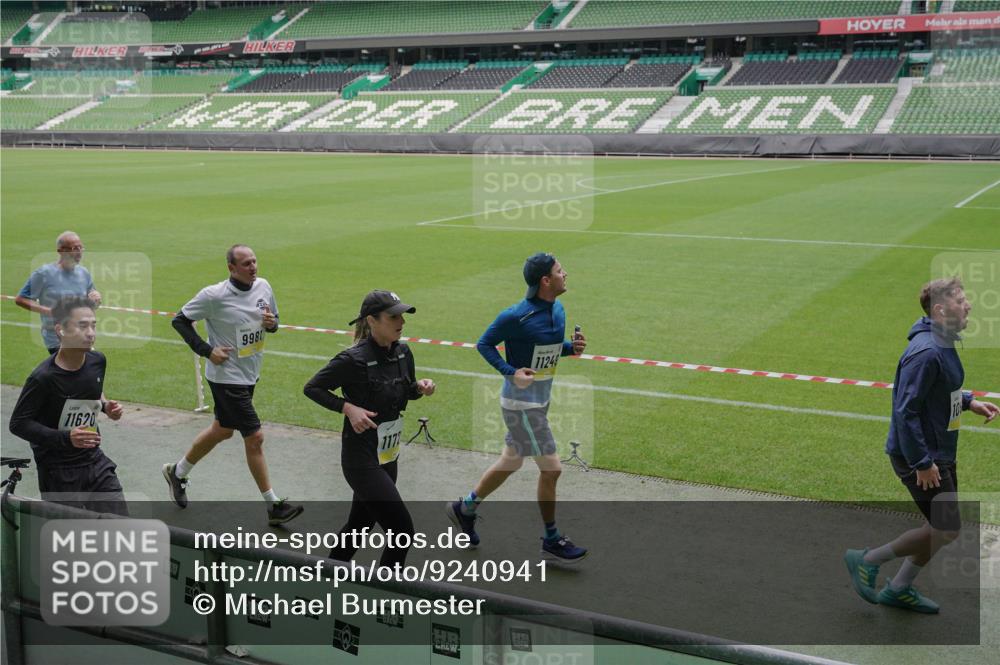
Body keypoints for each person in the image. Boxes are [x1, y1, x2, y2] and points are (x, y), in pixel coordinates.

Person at [845, 277, 998, 613]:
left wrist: (969, 401)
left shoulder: (942, 342)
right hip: (921, 456)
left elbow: (940, 388)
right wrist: (922, 463)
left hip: (938, 450)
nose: (968, 304)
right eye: (961, 299)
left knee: (940, 527)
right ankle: (867, 560)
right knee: (946, 527)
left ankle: (898, 588)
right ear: (941, 310)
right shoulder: (927, 351)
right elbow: (906, 410)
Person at [448, 253, 588, 563]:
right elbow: (484, 344)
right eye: (560, 271)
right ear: (545, 281)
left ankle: (465, 507)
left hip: (541, 399)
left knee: (511, 462)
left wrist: (570, 349)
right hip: (521, 405)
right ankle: (551, 538)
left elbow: (547, 349)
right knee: (552, 469)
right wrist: (510, 372)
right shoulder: (516, 316)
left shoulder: (559, 309)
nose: (566, 274)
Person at [163, 244, 302, 526]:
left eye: (254, 261)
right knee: (255, 437)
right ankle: (273, 505)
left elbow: (274, 322)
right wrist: (206, 350)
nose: (253, 267)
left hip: (250, 372)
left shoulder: (264, 286)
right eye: (246, 263)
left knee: (223, 430)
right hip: (226, 377)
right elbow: (180, 321)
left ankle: (177, 472)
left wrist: (272, 323)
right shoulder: (214, 296)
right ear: (231, 268)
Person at [304, 290, 435, 567]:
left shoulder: (402, 351)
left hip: (388, 455)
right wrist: (347, 408)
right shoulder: (352, 359)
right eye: (393, 316)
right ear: (372, 321)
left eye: (402, 315)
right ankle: (386, 603)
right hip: (360, 459)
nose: (401, 321)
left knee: (359, 525)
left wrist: (420, 388)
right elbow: (312, 388)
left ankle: (325, 580)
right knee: (402, 532)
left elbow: (406, 391)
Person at [8, 296, 126, 515]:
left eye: (93, 325)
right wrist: (66, 438)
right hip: (58, 471)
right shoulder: (43, 378)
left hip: (95, 461)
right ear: (60, 329)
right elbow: (18, 423)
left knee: (120, 525)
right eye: (82, 326)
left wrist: (106, 406)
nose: (90, 332)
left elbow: (91, 389)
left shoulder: (97, 361)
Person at [16, 231, 102, 355]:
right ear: (61, 251)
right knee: (73, 370)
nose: (79, 251)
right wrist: (49, 311)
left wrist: (96, 299)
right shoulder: (43, 274)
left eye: (80, 247)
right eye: (74, 248)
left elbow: (91, 303)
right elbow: (21, 299)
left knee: (87, 369)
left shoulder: (84, 273)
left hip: (81, 334)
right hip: (56, 337)